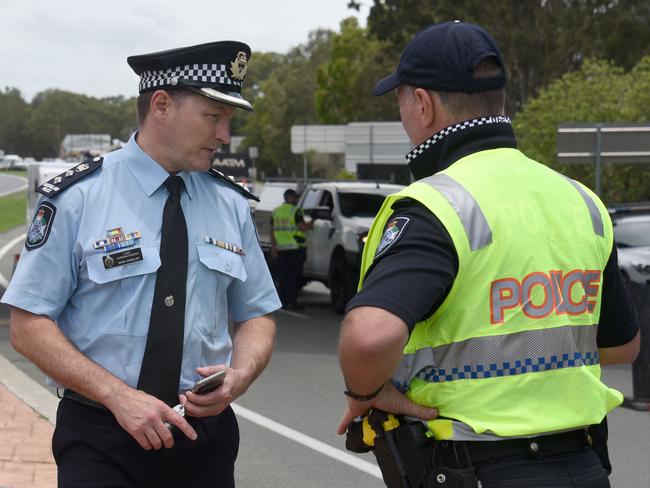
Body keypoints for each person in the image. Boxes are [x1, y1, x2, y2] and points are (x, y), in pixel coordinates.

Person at [337, 21, 640, 487]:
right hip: (583, 466)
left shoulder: (435, 205)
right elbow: (623, 345)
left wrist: (366, 392)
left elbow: (368, 338)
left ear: (422, 104)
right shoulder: (581, 200)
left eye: (400, 101)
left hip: (475, 467)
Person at [1, 40, 281, 488]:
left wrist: (242, 374)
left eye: (229, 121)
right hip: (101, 436)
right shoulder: (79, 198)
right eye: (214, 117)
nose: (225, 136)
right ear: (162, 105)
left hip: (203, 440)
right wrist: (118, 396)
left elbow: (258, 313)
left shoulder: (230, 204)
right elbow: (28, 322)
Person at [271, 188, 313, 309]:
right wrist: (312, 223)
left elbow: (272, 231)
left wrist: (273, 246)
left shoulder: (276, 211)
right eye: (294, 197)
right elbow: (302, 227)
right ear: (289, 198)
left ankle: (282, 302)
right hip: (294, 248)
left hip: (281, 249)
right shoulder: (295, 211)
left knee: (282, 276)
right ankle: (292, 302)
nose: (296, 199)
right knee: (293, 276)